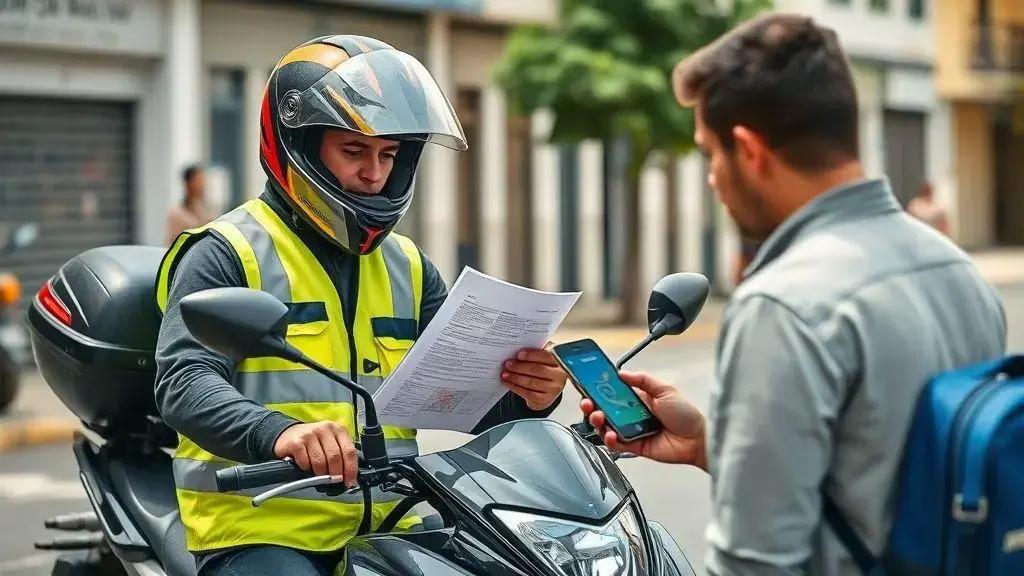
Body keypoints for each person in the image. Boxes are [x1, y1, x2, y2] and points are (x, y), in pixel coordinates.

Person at [582, 14, 1006, 576]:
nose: (712, 178)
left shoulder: (783, 305)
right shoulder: (957, 271)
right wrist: (710, 443)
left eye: (710, 154)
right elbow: (891, 481)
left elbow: (756, 563)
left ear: (749, 151)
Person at [154, 36, 568, 576]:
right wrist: (279, 433)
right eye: (353, 152)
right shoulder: (226, 251)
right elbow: (184, 382)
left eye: (388, 154)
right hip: (262, 528)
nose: (375, 174)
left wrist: (530, 395)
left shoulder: (409, 266)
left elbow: (459, 400)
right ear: (299, 147)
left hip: (392, 527)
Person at [165, 164, 212, 246]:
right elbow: (173, 242)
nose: (202, 185)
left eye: (203, 181)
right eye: (198, 181)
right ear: (188, 183)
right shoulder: (176, 213)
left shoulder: (207, 210)